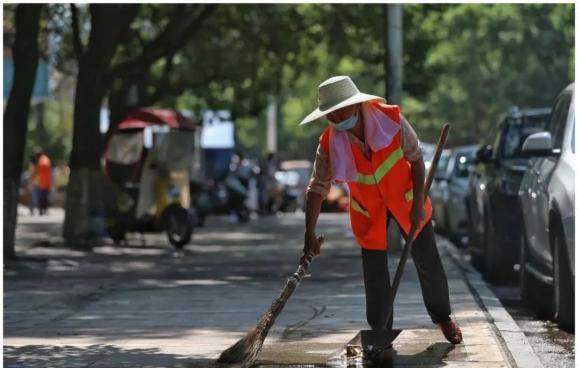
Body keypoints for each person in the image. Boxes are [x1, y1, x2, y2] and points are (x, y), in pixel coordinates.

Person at [299, 76, 463, 349]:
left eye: (341, 109)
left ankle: (442, 316)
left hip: (406, 201)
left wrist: (418, 204)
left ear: (355, 104)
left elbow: (416, 158)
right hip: (368, 210)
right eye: (331, 113)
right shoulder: (328, 143)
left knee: (427, 259)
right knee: (374, 272)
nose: (338, 117)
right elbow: (317, 188)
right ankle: (380, 332)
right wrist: (309, 234)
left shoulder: (390, 120)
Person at [29, 149, 53, 215]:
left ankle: (38, 210)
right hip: (43, 183)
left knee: (38, 197)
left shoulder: (41, 161)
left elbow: (36, 171)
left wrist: (32, 177)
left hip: (41, 183)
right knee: (42, 197)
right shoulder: (45, 159)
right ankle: (40, 210)